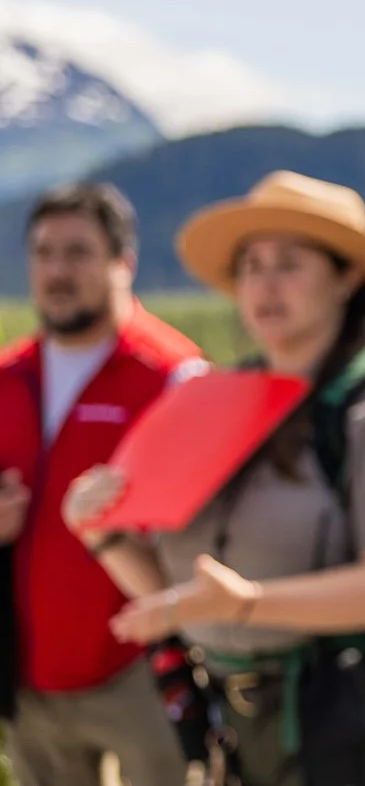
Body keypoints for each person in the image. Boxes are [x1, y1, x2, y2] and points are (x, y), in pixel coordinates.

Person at [63, 172, 365, 786]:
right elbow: (176, 596)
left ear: (347, 277)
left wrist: (247, 604)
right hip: (243, 720)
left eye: (289, 264)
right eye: (251, 266)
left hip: (356, 719)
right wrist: (101, 534)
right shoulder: (211, 401)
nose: (264, 284)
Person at [0, 183, 203, 786]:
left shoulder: (174, 377)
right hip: (31, 675)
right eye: (44, 253)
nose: (58, 271)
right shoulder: (8, 377)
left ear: (124, 263)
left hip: (142, 672)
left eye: (79, 253)